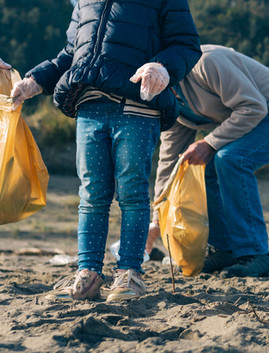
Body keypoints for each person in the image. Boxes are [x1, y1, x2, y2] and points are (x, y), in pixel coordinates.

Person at [12, 0, 201, 301]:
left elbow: (186, 45)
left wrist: (162, 67)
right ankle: (88, 273)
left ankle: (130, 274)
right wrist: (35, 80)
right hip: (88, 108)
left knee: (132, 193)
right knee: (91, 194)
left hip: (138, 108)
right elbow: (73, 53)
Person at [148, 44, 269, 277]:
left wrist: (210, 143)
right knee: (203, 166)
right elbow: (170, 161)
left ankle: (257, 255)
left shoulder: (206, 62)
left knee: (231, 159)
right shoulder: (168, 102)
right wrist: (156, 219)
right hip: (257, 119)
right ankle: (225, 250)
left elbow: (254, 107)